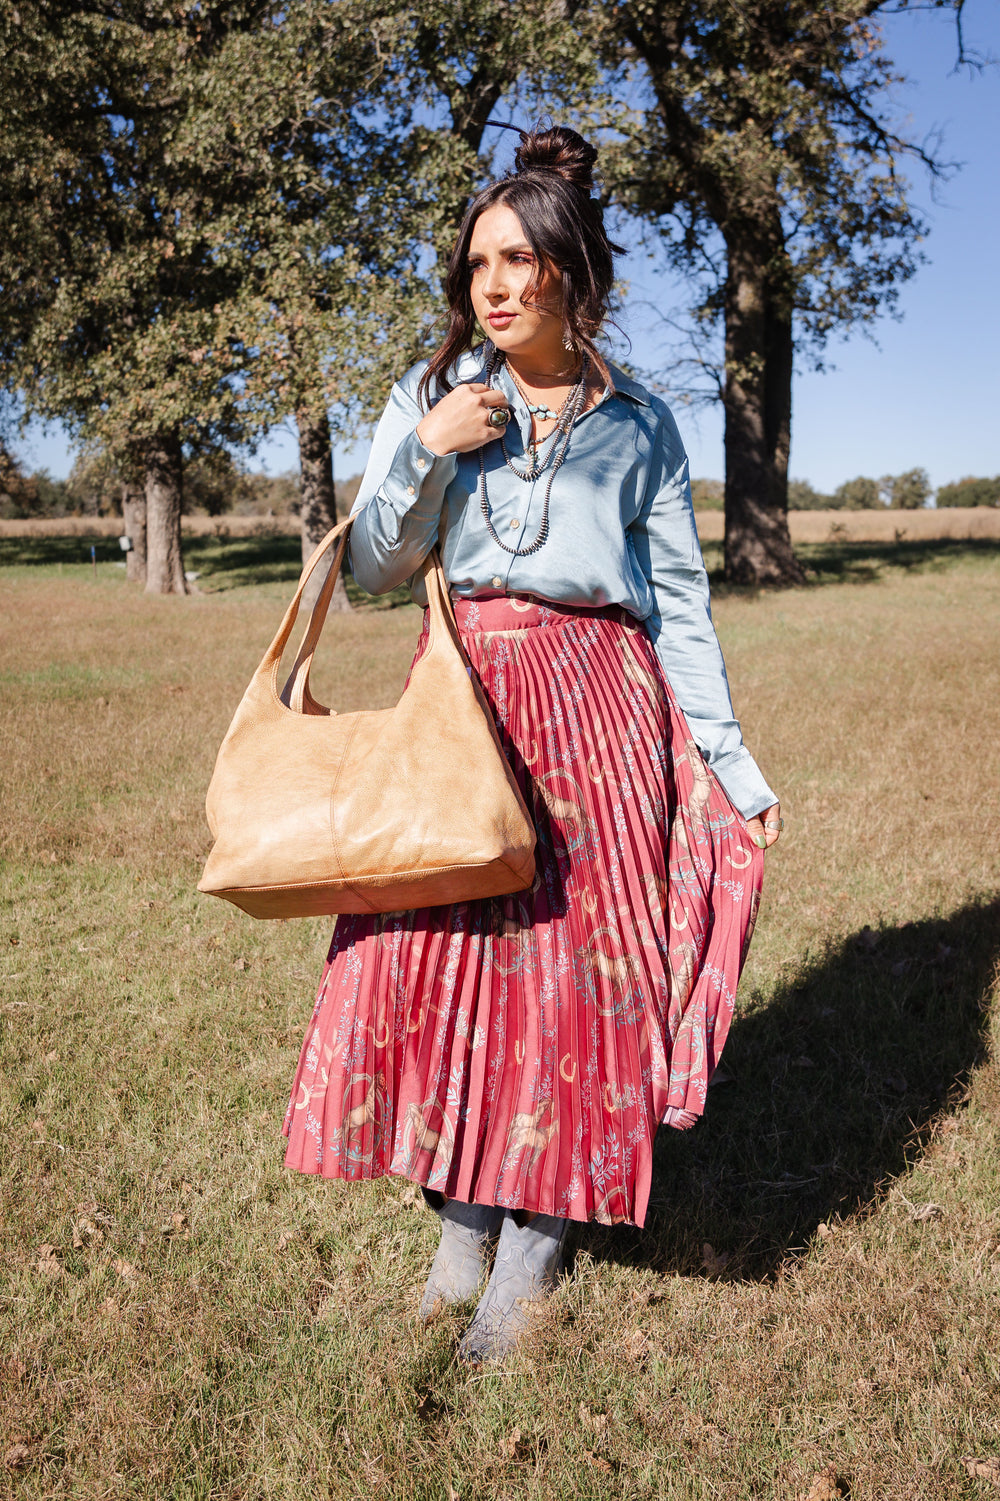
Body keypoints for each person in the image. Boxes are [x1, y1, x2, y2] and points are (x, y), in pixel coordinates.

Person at [282, 125, 781, 1363]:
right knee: (447, 958)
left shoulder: (643, 426)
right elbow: (379, 573)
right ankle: (462, 1221)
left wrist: (728, 759)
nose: (493, 286)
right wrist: (422, 453)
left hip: (601, 705)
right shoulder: (434, 396)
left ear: (569, 269)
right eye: (475, 266)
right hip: (465, 700)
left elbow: (674, 606)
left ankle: (537, 1244)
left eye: (516, 260)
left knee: (577, 980)